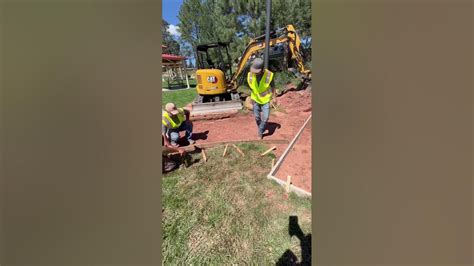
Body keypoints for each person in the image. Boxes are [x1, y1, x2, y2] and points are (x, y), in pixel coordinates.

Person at [247, 58, 277, 139]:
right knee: (257, 117)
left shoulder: (268, 75)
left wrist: (274, 97)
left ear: (262, 69)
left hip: (265, 100)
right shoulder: (250, 75)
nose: (255, 73)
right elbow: (251, 87)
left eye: (257, 71)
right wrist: (251, 98)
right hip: (256, 99)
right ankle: (261, 127)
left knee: (266, 117)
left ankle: (260, 132)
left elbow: (273, 87)